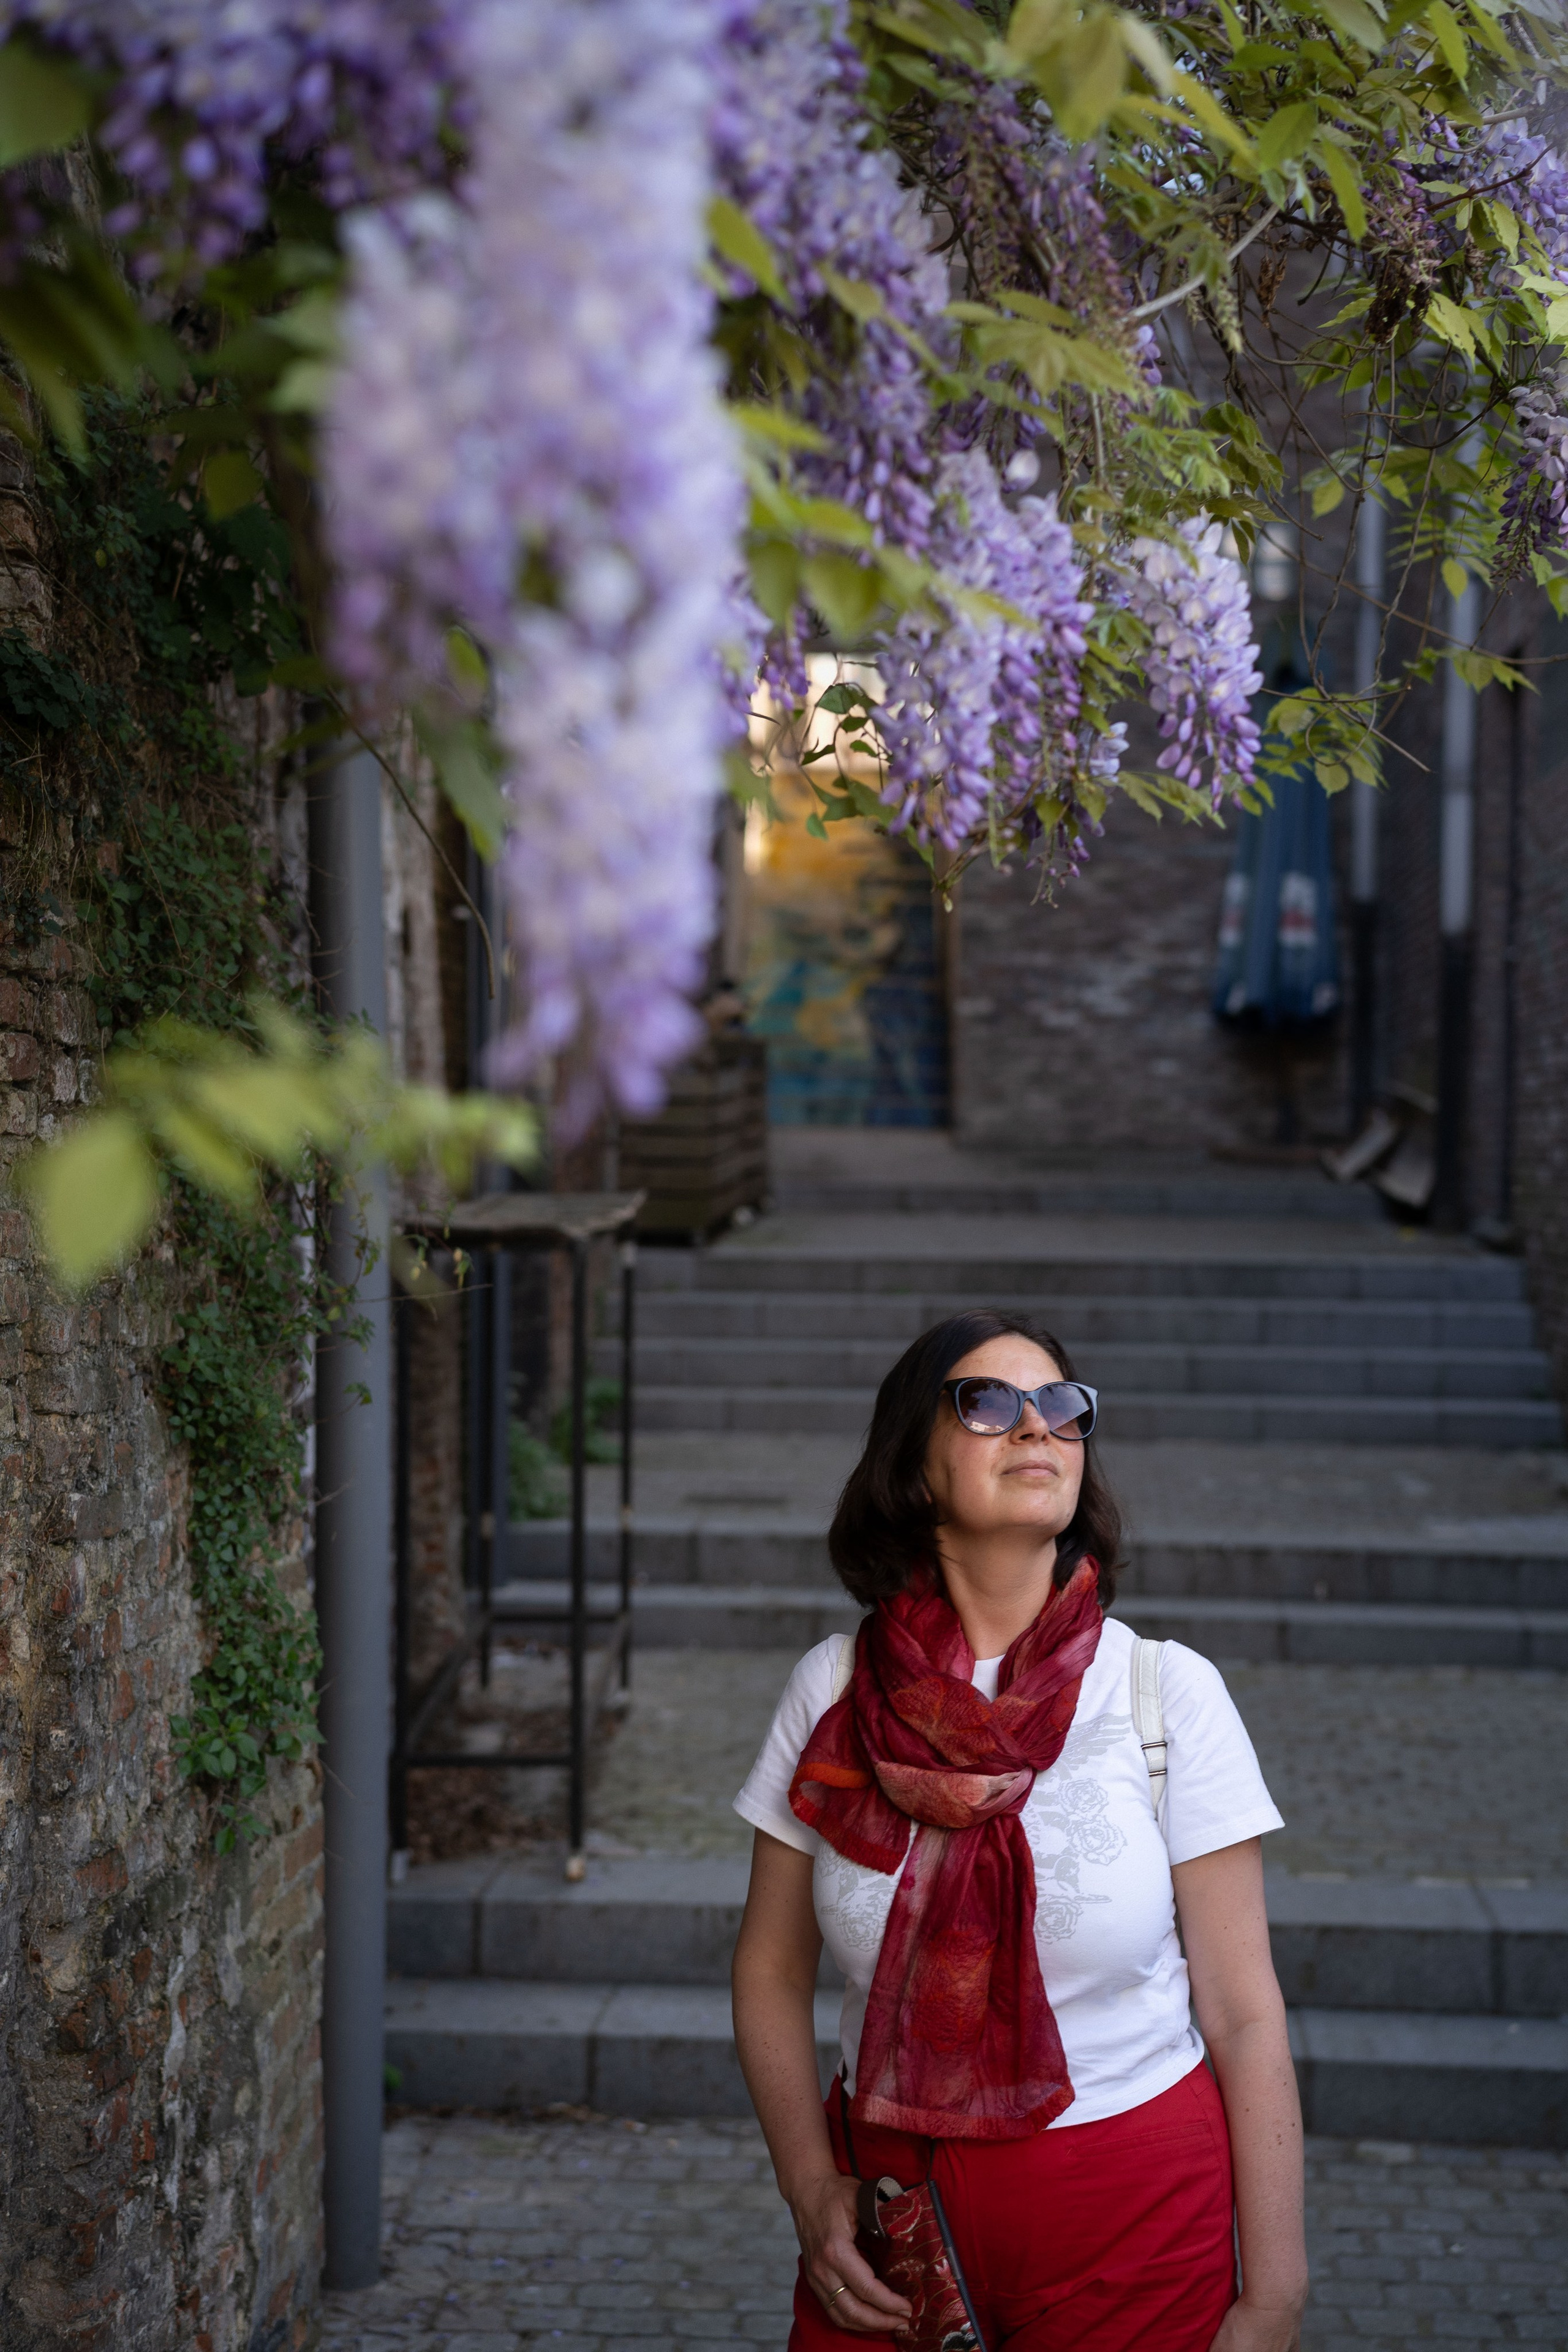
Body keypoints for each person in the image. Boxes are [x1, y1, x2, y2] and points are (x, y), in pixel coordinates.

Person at [731, 1310, 1308, 2351]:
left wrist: (1274, 2296)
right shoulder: (835, 1688)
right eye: (991, 1404)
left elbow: (1244, 2012)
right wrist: (808, 2183)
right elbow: (771, 1968)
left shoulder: (1165, 1693)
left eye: (1063, 1408)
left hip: (1130, 2207)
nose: (1037, 1428)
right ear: (913, 1464)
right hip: (893, 2217)